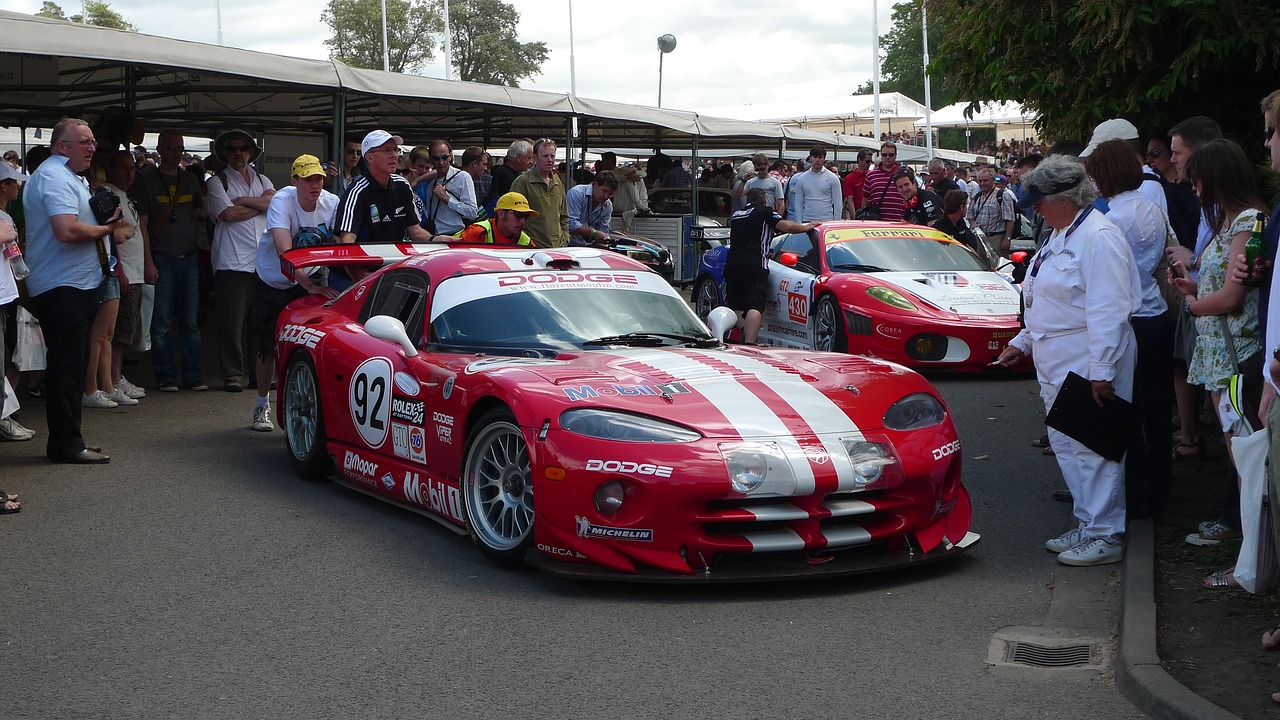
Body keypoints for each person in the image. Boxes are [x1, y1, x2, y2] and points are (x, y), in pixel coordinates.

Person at [995, 155, 1141, 566]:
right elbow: (1044, 297)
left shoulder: (1099, 236)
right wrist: (1023, 341)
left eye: (1040, 201)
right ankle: (1089, 521)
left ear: (1064, 198)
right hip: (1056, 353)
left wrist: (1103, 370)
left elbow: (1110, 309)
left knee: (1094, 446)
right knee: (1066, 444)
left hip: (1086, 352)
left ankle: (1106, 533)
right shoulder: (1062, 233)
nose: (1035, 208)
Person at [1170, 139, 1268, 573]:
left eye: (1196, 178)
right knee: (1239, 454)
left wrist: (1192, 305)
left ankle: (1254, 558)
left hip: (1234, 355)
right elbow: (1222, 287)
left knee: (1246, 459)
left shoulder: (1248, 221)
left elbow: (1232, 296)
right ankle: (1251, 553)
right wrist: (1195, 289)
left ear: (1214, 178)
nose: (1192, 186)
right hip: (1218, 355)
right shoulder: (1229, 220)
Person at [23, 118, 125, 463]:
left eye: (93, 141)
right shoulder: (54, 176)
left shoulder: (70, 177)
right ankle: (66, 445)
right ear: (61, 146)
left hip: (76, 283)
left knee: (73, 362)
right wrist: (106, 228)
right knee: (67, 366)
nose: (92, 147)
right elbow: (65, 230)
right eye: (84, 142)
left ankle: (70, 440)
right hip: (61, 285)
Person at [1085, 138, 1175, 518]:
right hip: (1155, 311)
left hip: (1131, 318)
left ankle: (1134, 494)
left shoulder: (1110, 218)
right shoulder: (1151, 207)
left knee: (1127, 411)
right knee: (1156, 411)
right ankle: (1159, 493)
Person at [251, 155, 341, 432]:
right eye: (308, 180)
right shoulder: (282, 200)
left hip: (309, 278)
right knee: (268, 347)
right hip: (273, 279)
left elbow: (339, 245)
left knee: (305, 345)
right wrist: (310, 286)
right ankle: (260, 404)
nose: (315, 185)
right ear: (295, 181)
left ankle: (302, 405)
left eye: (319, 179)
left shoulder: (332, 202)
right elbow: (284, 252)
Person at [133, 128, 206, 393]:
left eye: (180, 148)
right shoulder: (145, 183)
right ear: (161, 150)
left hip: (189, 258)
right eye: (172, 148)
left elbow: (198, 211)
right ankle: (165, 376)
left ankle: (193, 376)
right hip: (162, 259)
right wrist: (148, 262)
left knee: (190, 321)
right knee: (161, 323)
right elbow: (142, 226)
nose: (177, 153)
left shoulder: (190, 181)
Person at [205, 129, 275, 393]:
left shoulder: (263, 177)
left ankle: (259, 375)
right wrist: (261, 204)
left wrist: (246, 201)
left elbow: (274, 204)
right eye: (232, 149)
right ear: (225, 153)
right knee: (232, 323)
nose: (238, 153)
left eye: (243, 148)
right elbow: (228, 213)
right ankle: (232, 374)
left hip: (261, 261)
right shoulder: (217, 182)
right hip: (231, 261)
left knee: (260, 322)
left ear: (250, 152)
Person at [724, 188, 817, 345]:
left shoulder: (737, 215)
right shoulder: (764, 211)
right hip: (754, 265)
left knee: (737, 307)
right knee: (754, 306)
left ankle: (744, 331)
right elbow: (785, 226)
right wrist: (806, 227)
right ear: (764, 200)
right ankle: (750, 344)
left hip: (732, 265)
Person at [0, 165, 34, 444]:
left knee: (9, 355)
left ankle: (5, 418)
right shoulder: (3, 220)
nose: (19, 186)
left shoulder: (6, 216)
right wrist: (7, 234)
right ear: (3, 185)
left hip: (7, 295)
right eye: (14, 182)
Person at [510, 138, 568, 247]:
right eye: (545, 156)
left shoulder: (558, 183)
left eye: (552, 156)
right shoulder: (522, 182)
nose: (550, 160)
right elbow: (513, 216)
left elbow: (564, 216)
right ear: (535, 158)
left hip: (558, 248)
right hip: (530, 248)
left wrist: (565, 239)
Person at [417, 139, 476, 236]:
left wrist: (446, 199)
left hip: (456, 235)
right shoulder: (431, 184)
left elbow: (472, 212)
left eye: (444, 157)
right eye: (436, 158)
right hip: (435, 236)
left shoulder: (462, 177)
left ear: (450, 157)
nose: (441, 162)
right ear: (431, 159)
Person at [455, 192, 538, 246]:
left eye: (526, 216)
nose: (523, 221)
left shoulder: (526, 242)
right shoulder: (477, 233)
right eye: (518, 215)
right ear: (501, 213)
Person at [786, 146, 842, 222]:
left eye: (820, 157)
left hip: (827, 221)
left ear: (824, 158)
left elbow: (838, 204)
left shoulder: (833, 178)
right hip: (807, 220)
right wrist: (799, 224)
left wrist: (836, 224)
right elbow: (798, 204)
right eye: (815, 157)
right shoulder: (802, 179)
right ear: (811, 158)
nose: (817, 160)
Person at [967, 168, 1017, 253]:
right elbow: (970, 215)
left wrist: (1007, 238)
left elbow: (1010, 219)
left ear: (992, 180)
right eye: (980, 181)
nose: (982, 183)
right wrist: (972, 222)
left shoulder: (1003, 195)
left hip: (996, 238)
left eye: (985, 181)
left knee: (997, 265)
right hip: (979, 238)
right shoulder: (977, 196)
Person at [566, 170, 617, 246]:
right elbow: (570, 224)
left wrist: (604, 240)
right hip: (569, 246)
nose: (606, 196)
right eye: (604, 191)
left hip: (591, 248)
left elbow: (604, 229)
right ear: (595, 184)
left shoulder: (608, 205)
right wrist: (594, 233)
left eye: (610, 194)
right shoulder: (577, 193)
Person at [486, 139, 533, 217]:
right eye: (528, 158)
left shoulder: (504, 171)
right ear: (518, 157)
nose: (531, 162)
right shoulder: (506, 175)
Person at [860, 142, 905, 222]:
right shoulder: (871, 175)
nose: (887, 157)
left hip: (900, 223)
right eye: (884, 155)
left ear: (895, 156)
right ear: (881, 156)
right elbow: (865, 199)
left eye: (891, 155)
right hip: (876, 224)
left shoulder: (905, 174)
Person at [935, 189, 983, 256]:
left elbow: (966, 246)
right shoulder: (939, 228)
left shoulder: (961, 222)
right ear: (962, 207)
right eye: (966, 205)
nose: (967, 208)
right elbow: (939, 254)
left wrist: (979, 262)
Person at [611, 164, 650, 233]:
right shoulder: (613, 172)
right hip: (617, 203)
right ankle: (640, 204)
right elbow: (614, 178)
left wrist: (635, 176)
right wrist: (626, 178)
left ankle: (644, 204)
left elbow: (644, 174)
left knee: (639, 180)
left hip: (628, 205)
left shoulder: (631, 174)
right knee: (629, 182)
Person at [842, 149, 873, 219]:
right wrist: (855, 218)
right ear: (860, 160)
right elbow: (850, 200)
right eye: (867, 161)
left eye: (871, 161)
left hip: (872, 213)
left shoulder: (872, 175)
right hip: (859, 213)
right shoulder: (850, 178)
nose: (869, 164)